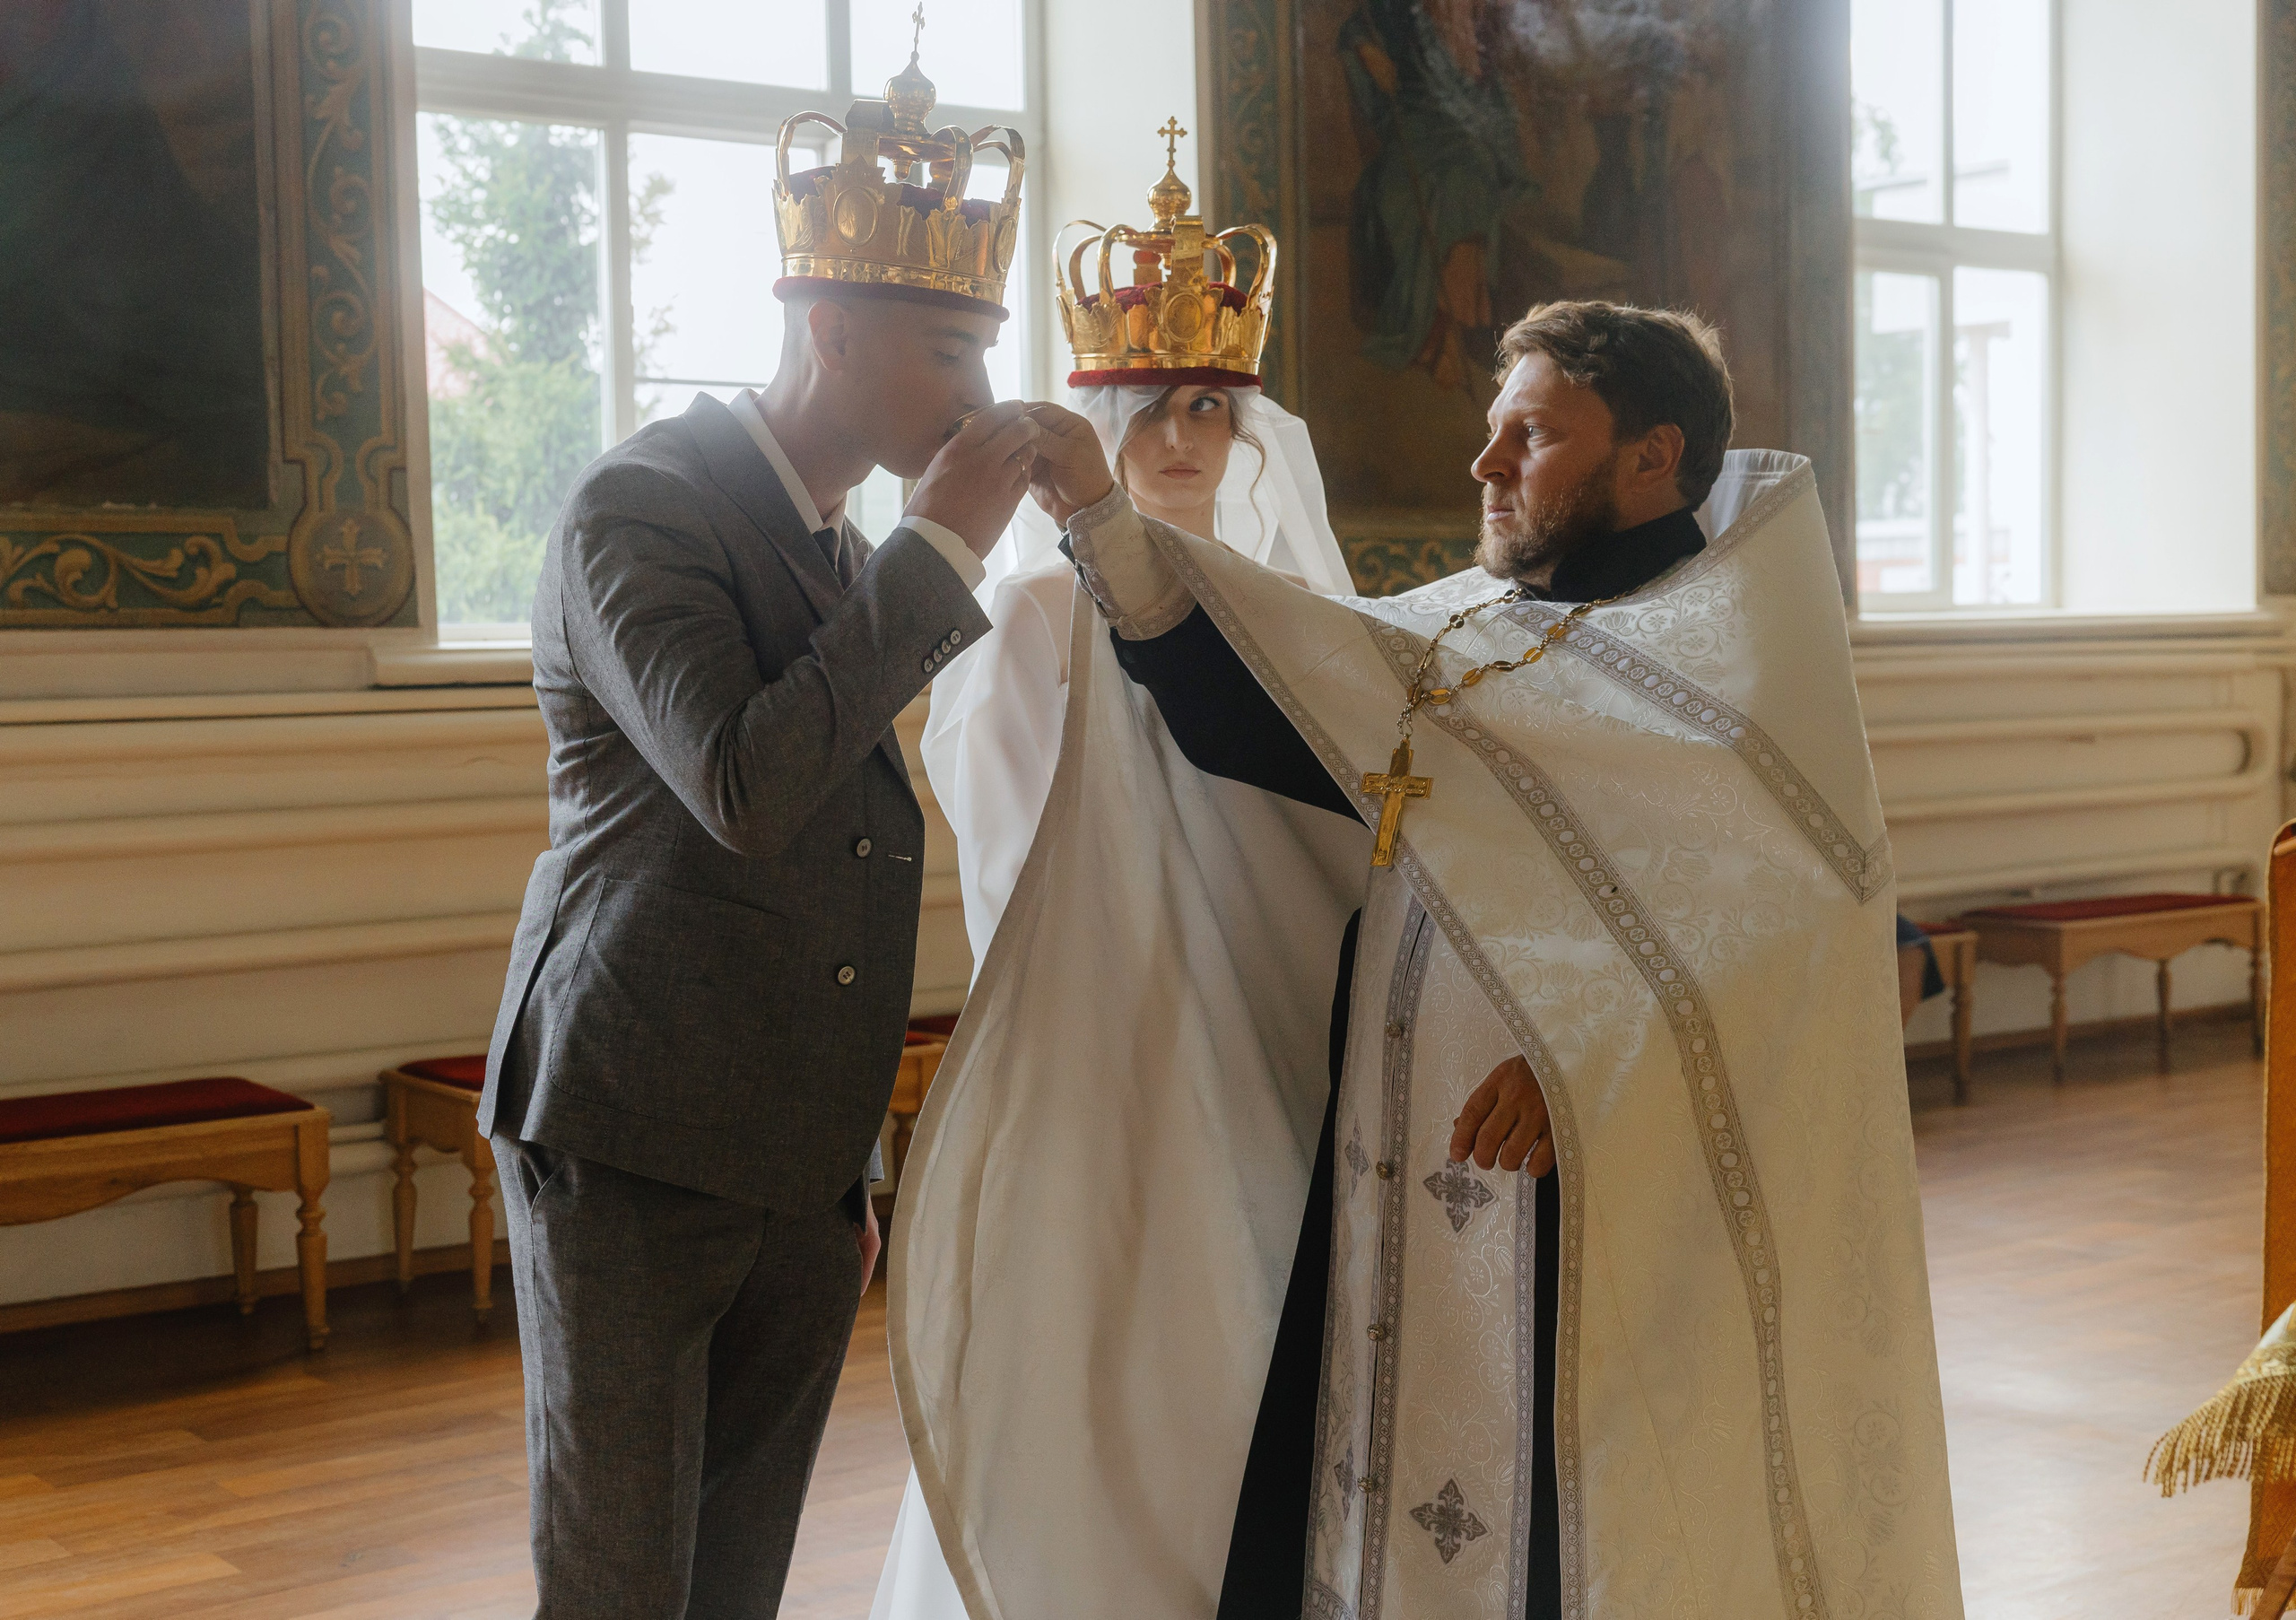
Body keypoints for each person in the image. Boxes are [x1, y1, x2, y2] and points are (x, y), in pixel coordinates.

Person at [887, 300, 1963, 1618]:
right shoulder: (1468, 630)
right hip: (1399, 1159)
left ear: (1649, 456)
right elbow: (1257, 720)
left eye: (1533, 434)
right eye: (1491, 431)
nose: (1486, 464)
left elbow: (1798, 933)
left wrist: (1590, 1050)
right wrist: (1100, 514)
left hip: (1599, 1207)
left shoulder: (1733, 668)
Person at [477, 42, 1048, 1618]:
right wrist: (944, 542)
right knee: (619, 1578)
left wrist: (844, 1169)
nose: (978, 400)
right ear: (830, 325)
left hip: (797, 1150)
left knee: (733, 1580)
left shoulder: (833, 538)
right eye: (949, 350)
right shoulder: (641, 506)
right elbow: (745, 784)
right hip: (639, 1122)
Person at [876, 135, 1353, 1620]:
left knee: (1269, 1342)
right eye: (1160, 403)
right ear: (1105, 410)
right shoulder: (1028, 614)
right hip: (1112, 1042)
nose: (1187, 435)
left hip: (1275, 1034)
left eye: (1215, 406)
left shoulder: (1296, 612)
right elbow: (1023, 866)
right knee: (1108, 1342)